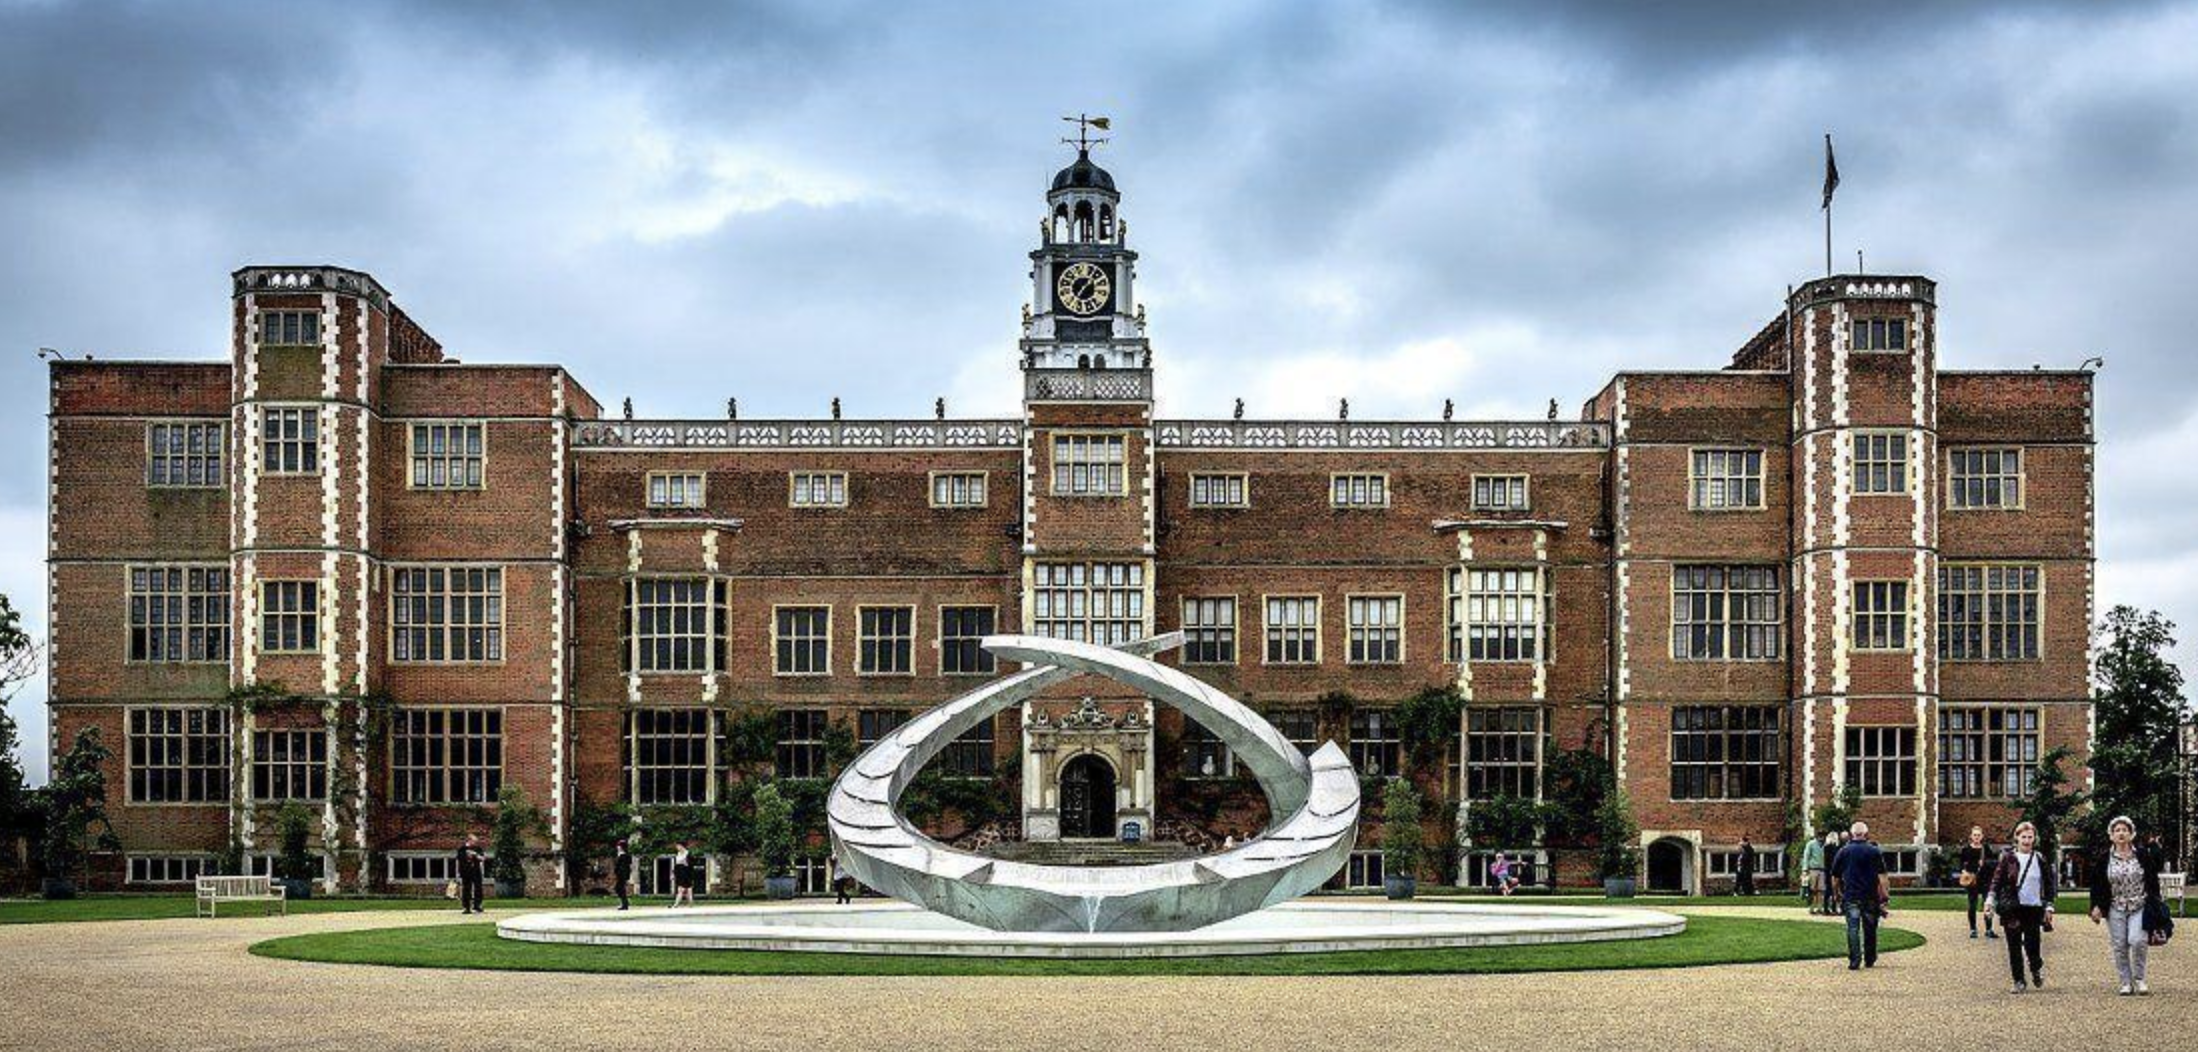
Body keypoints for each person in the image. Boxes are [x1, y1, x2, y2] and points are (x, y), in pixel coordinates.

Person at [2088, 815, 2162, 996]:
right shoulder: (2104, 857)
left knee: (2137, 940)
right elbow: (2097, 884)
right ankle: (2125, 982)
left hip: (2139, 904)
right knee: (2119, 945)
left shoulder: (2142, 855)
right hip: (2115, 906)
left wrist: (2156, 902)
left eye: (2125, 830)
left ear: (2131, 834)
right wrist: (2096, 906)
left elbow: (2153, 880)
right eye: (2117, 830)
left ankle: (2139, 979)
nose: (2121, 833)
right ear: (2111, 836)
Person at [1991, 820, 2058, 993]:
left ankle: (2035, 968)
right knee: (2013, 946)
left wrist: (2049, 906)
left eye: (2030, 837)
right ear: (2017, 838)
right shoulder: (2008, 858)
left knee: (2032, 945)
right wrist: (1990, 900)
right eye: (2024, 837)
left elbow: (2049, 884)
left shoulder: (2040, 858)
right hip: (2012, 908)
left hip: (2033, 908)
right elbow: (1997, 880)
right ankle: (2018, 980)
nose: (2027, 840)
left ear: (2034, 839)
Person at [1829, 821, 1886, 970]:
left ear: (1852, 834)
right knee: (1870, 928)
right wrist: (1884, 897)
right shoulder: (1874, 851)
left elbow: (1835, 877)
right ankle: (1870, 958)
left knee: (1853, 928)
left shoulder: (1843, 851)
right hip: (1870, 896)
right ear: (1866, 834)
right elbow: (1883, 877)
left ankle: (1854, 960)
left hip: (1851, 895)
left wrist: (1836, 894)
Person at [1958, 825, 1997, 940]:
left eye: (1978, 835)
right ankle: (1973, 929)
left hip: (1985, 880)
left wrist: (1984, 863)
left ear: (1982, 836)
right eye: (1974, 835)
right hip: (1972, 881)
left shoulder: (1986, 849)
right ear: (1971, 836)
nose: (1976, 837)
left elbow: (1993, 863)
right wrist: (1964, 871)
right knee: (1972, 905)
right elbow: (1961, 864)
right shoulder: (1966, 849)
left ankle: (1989, 929)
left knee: (1987, 905)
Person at [455, 833, 486, 915]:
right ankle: (467, 907)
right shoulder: (462, 849)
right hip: (466, 872)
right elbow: (459, 860)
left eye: (476, 841)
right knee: (466, 889)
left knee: (478, 888)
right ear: (469, 840)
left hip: (476, 871)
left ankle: (477, 905)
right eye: (474, 841)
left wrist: (475, 855)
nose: (475, 843)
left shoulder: (478, 848)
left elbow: (482, 858)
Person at [1800, 832, 1826, 914]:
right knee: (1812, 890)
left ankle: (1819, 907)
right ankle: (1811, 907)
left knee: (1821, 890)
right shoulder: (1811, 844)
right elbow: (1806, 856)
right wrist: (1805, 869)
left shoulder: (1825, 845)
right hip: (1813, 869)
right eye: (1820, 836)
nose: (1822, 838)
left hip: (1822, 870)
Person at [670, 839, 696, 907]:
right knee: (688, 890)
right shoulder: (678, 854)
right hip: (679, 872)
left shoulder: (688, 854)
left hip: (686, 872)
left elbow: (692, 864)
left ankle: (675, 905)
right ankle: (691, 904)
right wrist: (673, 873)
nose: (677, 847)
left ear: (682, 846)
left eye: (678, 846)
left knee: (681, 889)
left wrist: (686, 863)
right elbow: (676, 865)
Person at [612, 839, 634, 911]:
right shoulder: (621, 855)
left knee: (619, 888)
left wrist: (623, 875)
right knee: (620, 889)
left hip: (622, 875)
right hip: (621, 875)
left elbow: (624, 867)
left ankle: (625, 904)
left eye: (619, 846)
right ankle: (625, 903)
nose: (617, 847)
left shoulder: (624, 856)